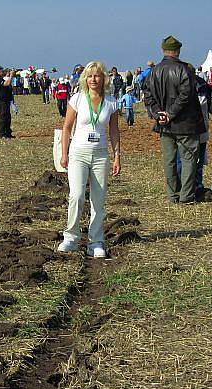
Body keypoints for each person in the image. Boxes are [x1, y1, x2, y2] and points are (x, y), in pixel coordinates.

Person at [58, 61, 120, 259]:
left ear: (103, 78)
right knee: (76, 196)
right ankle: (71, 237)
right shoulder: (77, 99)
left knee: (98, 200)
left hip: (100, 155)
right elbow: (67, 127)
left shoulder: (111, 102)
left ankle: (96, 241)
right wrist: (64, 153)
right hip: (78, 154)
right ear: (85, 78)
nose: (94, 79)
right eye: (90, 76)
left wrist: (117, 156)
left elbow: (114, 130)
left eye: (97, 76)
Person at [142, 35, 207, 204]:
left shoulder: (154, 72)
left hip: (165, 125)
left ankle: (173, 195)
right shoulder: (184, 70)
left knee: (169, 161)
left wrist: (159, 114)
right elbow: (186, 96)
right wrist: (170, 113)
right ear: (177, 51)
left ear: (163, 50)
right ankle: (186, 196)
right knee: (188, 160)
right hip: (185, 125)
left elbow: (147, 97)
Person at [0, 66, 15, 139]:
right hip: (1, 101)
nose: (3, 72)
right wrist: (11, 75)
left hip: (6, 101)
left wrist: (9, 75)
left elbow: (6, 81)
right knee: (3, 118)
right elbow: (6, 83)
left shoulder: (2, 78)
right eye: (2, 71)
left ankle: (8, 132)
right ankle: (2, 134)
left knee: (8, 118)